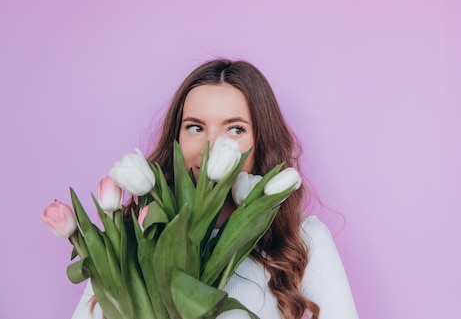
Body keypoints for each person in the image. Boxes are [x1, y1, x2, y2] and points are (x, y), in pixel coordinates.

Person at [71, 59, 359, 319]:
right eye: (196, 127)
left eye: (235, 129)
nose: (211, 147)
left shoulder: (302, 239)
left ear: (261, 141)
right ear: (177, 139)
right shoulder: (131, 237)